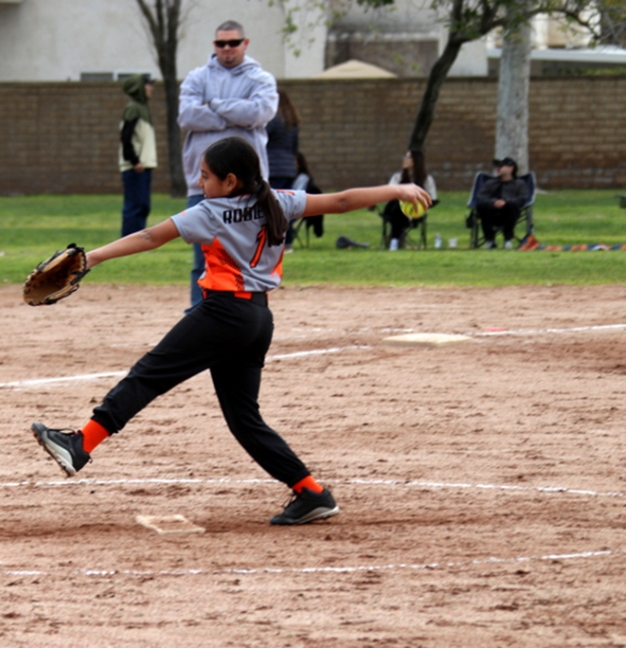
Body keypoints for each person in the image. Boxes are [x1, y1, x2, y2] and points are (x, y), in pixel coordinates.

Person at [31, 136, 431, 526]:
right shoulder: (278, 200)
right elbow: (342, 201)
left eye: (206, 176)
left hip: (223, 314)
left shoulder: (212, 211)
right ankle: (311, 492)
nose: (201, 184)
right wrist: (396, 188)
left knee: (149, 374)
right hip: (257, 320)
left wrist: (93, 258)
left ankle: (80, 444)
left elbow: (151, 236)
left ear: (230, 181)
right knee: (244, 418)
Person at [178, 20, 278, 309]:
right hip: (203, 185)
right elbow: (187, 116)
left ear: (245, 43)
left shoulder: (261, 78)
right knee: (204, 258)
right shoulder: (197, 77)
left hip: (248, 186)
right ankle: (200, 316)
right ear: (214, 46)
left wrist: (215, 105)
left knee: (249, 255)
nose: (227, 49)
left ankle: (246, 315)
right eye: (221, 44)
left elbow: (260, 112)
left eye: (233, 43)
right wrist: (236, 112)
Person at [119, 74, 157, 237]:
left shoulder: (142, 108)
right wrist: (134, 160)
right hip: (136, 167)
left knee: (142, 205)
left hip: (143, 166)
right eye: (148, 85)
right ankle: (129, 240)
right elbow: (125, 136)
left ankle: (137, 241)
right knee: (135, 205)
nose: (151, 88)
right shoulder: (134, 108)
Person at [381, 149, 437, 250]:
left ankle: (394, 240)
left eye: (408, 157)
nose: (404, 160)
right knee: (397, 205)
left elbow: (432, 198)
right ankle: (395, 240)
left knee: (405, 206)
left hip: (415, 211)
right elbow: (388, 195)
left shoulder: (426, 180)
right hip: (395, 209)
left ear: (416, 160)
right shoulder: (397, 177)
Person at [266, 90, 301, 248]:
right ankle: (289, 239)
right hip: (288, 168)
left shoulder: (272, 120)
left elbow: (261, 139)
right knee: (287, 206)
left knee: (274, 206)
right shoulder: (292, 121)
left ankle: (278, 239)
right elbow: (295, 148)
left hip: (273, 167)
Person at [475, 157, 529, 249]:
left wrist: (506, 202)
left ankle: (507, 239)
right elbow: (481, 196)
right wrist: (493, 202)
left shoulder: (519, 184)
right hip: (491, 211)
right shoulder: (490, 183)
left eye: (501, 166)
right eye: (497, 166)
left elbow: (522, 198)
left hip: (509, 213)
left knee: (512, 206)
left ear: (511, 168)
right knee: (481, 206)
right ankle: (490, 240)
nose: (498, 168)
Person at [288, 150, 323, 247]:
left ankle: (287, 243)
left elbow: (297, 194)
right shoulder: (292, 177)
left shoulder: (302, 177)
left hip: (297, 208)